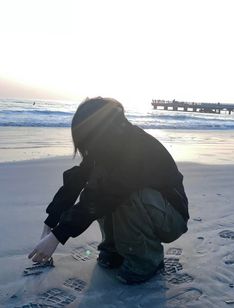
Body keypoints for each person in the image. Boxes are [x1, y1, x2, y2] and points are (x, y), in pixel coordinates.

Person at [28, 97, 189, 284]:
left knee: (114, 194)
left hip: (171, 218)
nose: (85, 147)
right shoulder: (106, 148)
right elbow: (75, 181)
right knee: (97, 186)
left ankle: (146, 261)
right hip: (149, 207)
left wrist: (58, 236)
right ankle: (114, 250)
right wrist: (51, 222)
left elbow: (109, 193)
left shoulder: (137, 148)